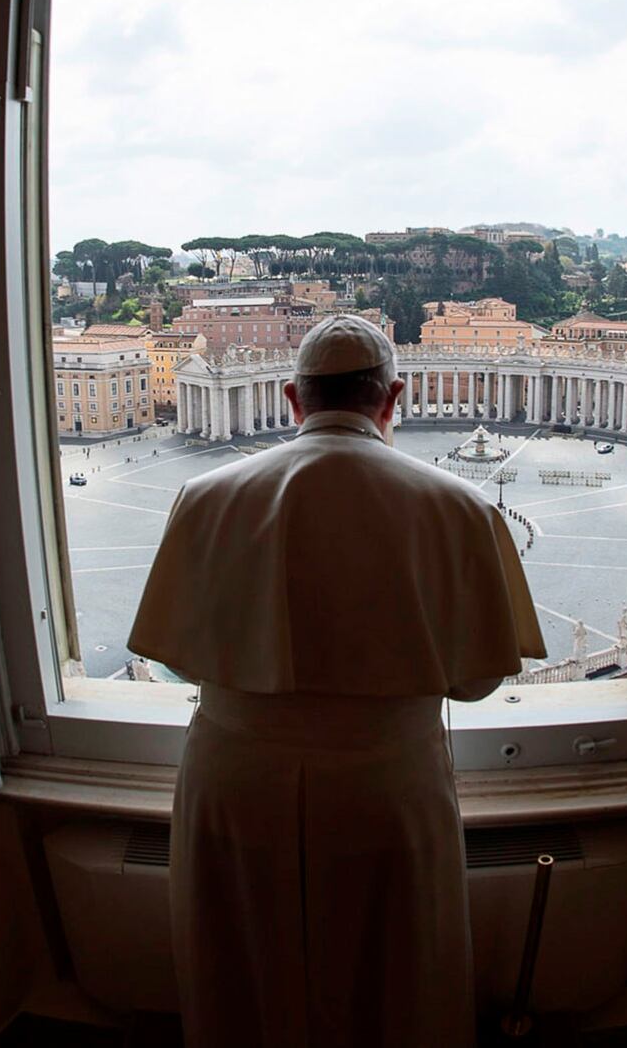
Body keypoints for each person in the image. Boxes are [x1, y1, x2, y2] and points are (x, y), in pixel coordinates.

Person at [129, 314, 546, 1048]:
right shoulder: (463, 507)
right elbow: (479, 680)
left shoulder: (204, 496)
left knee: (243, 972)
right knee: (392, 979)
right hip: (386, 786)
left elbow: (179, 656)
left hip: (235, 779)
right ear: (394, 399)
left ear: (292, 396)